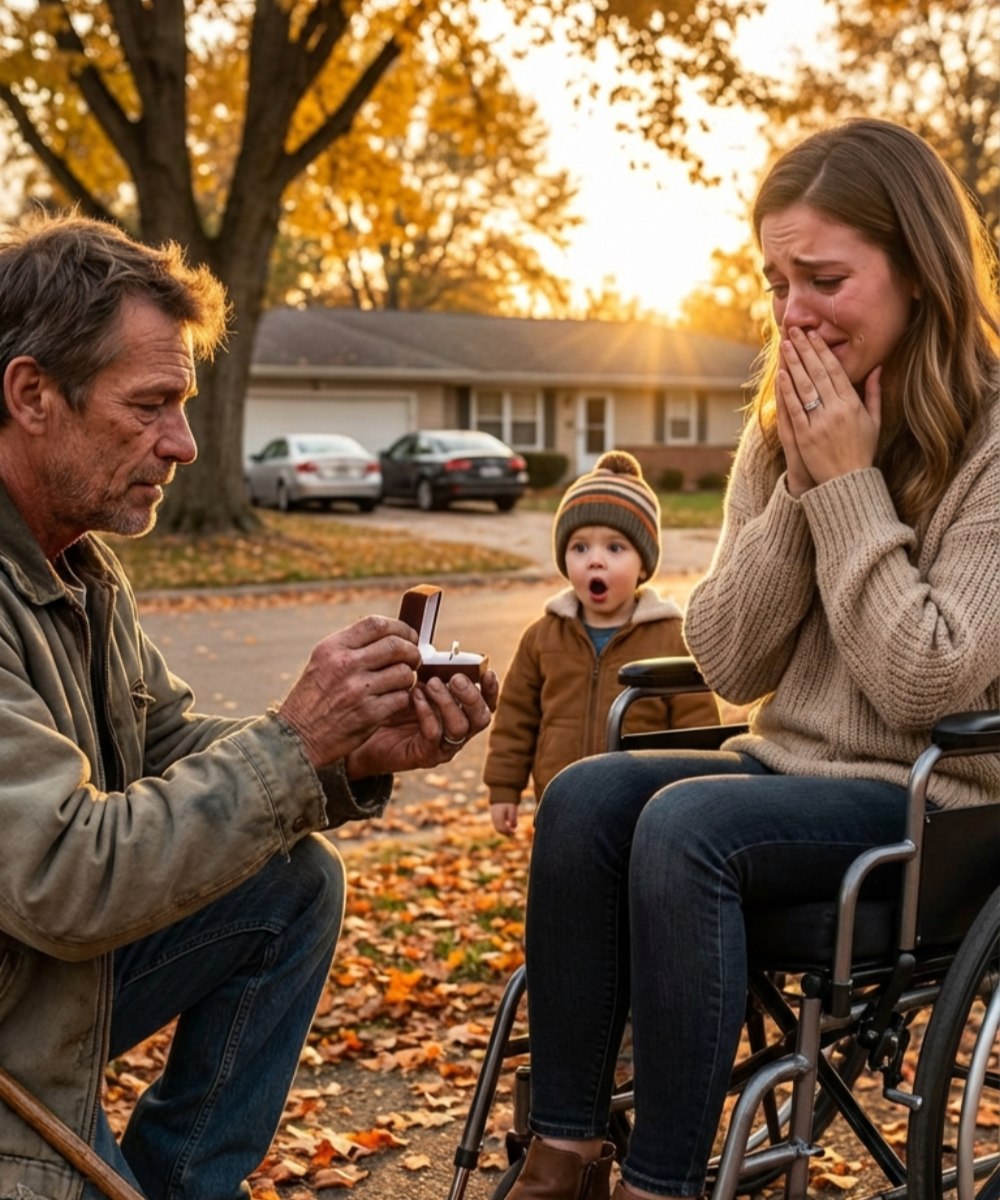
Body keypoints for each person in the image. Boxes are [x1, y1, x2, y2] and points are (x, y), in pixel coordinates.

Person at [506, 118, 1000, 1200]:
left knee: (688, 827)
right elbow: (729, 658)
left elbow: (927, 681)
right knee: (584, 797)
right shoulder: (783, 424)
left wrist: (848, 487)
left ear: (920, 270)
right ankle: (562, 1157)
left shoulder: (993, 439)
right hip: (786, 771)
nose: (792, 313)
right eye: (776, 282)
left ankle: (661, 1185)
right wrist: (798, 477)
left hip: (940, 799)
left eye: (823, 279)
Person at [0, 212, 498, 1200]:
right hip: (24, 1005)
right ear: (32, 394)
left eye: (183, 406)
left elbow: (168, 746)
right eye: (151, 405)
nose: (183, 444)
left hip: (38, 974)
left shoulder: (79, 568)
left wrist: (349, 750)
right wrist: (294, 741)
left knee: (291, 883)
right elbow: (63, 875)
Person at [484, 451, 718, 836]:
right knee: (562, 871)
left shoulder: (670, 637)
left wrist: (694, 798)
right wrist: (503, 788)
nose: (595, 561)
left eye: (615, 548)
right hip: (559, 802)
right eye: (580, 547)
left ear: (643, 564)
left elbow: (696, 727)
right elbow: (516, 719)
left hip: (641, 808)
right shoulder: (543, 636)